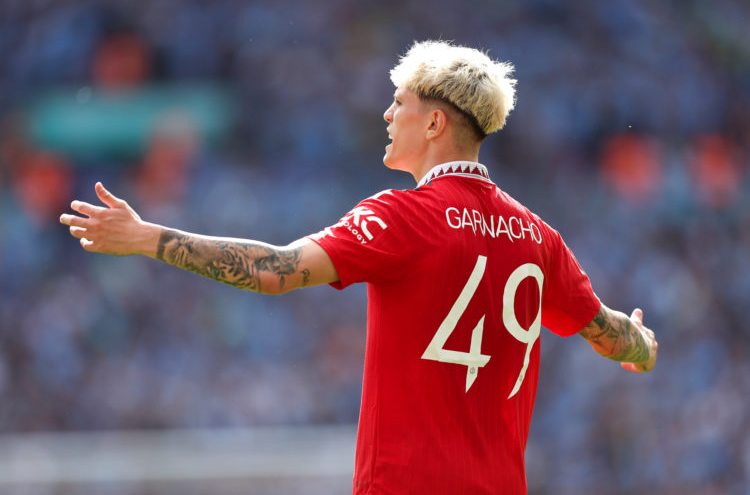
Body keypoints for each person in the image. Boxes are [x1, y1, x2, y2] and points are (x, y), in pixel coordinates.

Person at [60, 40, 658, 494]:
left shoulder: (405, 216)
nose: (386, 115)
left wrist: (147, 238)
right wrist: (641, 347)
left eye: (399, 102)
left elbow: (276, 270)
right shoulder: (539, 237)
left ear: (434, 123)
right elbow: (610, 334)